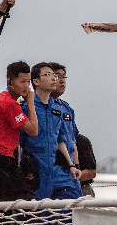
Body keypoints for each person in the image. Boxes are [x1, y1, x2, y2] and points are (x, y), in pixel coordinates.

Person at [20, 62, 79, 199]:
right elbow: (18, 140)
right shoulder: (27, 107)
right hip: (35, 167)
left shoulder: (58, 109)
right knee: (40, 213)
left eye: (54, 75)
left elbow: (60, 139)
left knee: (73, 203)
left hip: (56, 167)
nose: (54, 79)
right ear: (36, 81)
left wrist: (71, 165)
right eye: (47, 75)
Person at [0, 60, 38, 201]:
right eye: (22, 81)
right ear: (10, 82)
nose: (27, 87)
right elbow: (33, 131)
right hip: (1, 160)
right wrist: (31, 102)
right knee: (28, 202)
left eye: (28, 81)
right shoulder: (9, 103)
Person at [49, 62, 83, 199]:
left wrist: (77, 166)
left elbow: (73, 142)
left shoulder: (67, 109)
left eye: (64, 77)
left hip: (69, 170)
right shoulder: (37, 106)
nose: (62, 80)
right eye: (57, 76)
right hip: (52, 165)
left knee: (73, 212)